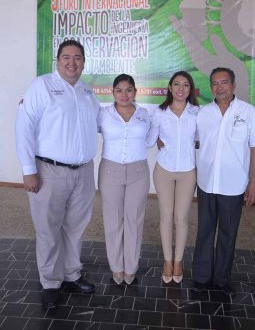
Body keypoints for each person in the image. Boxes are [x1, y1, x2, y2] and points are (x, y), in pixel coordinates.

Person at [16, 39, 100, 309]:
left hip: (83, 172)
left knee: (75, 227)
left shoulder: (88, 91)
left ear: (84, 62)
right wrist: (29, 171)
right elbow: (24, 127)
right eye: (66, 57)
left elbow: (102, 123)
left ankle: (71, 274)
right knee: (48, 228)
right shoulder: (42, 85)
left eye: (77, 57)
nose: (72, 62)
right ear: (58, 60)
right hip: (48, 171)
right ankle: (50, 281)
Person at [192, 67, 255, 294]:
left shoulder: (248, 112)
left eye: (224, 82)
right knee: (204, 231)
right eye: (215, 83)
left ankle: (222, 279)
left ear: (233, 85)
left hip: (233, 186)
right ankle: (202, 277)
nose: (219, 87)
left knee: (228, 233)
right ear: (210, 87)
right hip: (206, 183)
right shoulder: (202, 113)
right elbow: (191, 140)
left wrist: (253, 182)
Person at [146, 71, 199, 284]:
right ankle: (167, 260)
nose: (180, 88)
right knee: (166, 217)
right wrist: (156, 136)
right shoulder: (160, 112)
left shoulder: (197, 112)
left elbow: (203, 138)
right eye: (176, 84)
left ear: (190, 89)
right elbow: (149, 140)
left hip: (188, 171)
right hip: (164, 170)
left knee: (182, 218)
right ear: (169, 87)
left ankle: (179, 261)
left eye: (185, 85)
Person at [98, 74, 150, 286]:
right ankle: (116, 267)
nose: (124, 94)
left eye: (129, 90)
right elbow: (77, 121)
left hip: (139, 172)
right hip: (110, 171)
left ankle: (131, 267)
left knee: (134, 220)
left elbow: (155, 136)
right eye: (119, 90)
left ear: (135, 92)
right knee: (113, 220)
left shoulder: (145, 114)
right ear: (113, 92)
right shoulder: (102, 114)